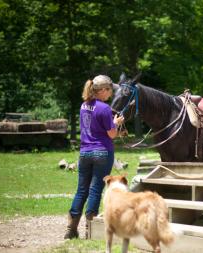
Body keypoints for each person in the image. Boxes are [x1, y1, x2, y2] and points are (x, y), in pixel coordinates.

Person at [64, 75, 124, 239]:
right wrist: (117, 123)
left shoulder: (84, 105)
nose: (111, 95)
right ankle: (89, 229)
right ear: (103, 90)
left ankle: (71, 229)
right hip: (102, 152)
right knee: (96, 189)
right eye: (110, 91)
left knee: (81, 190)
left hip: (84, 152)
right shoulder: (104, 108)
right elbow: (111, 134)